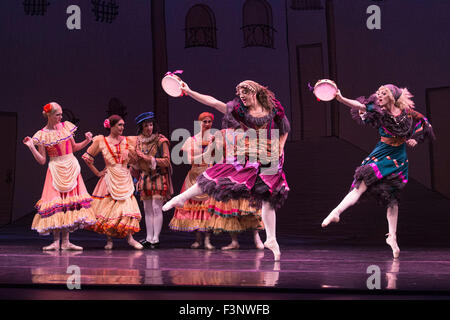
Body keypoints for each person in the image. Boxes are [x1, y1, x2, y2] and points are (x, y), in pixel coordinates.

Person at [163, 80, 290, 261]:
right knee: (220, 175)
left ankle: (271, 239)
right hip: (248, 151)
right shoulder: (240, 111)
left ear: (253, 92)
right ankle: (181, 198)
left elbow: (284, 127)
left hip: (269, 153)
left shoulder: (273, 108)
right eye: (239, 95)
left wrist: (280, 146)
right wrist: (190, 91)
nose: (241, 98)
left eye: (244, 94)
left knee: (270, 195)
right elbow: (213, 102)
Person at [321, 84, 435, 259]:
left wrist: (414, 139)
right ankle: (336, 212)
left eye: (384, 93)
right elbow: (360, 106)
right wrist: (341, 98)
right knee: (361, 185)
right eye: (378, 93)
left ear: (393, 96)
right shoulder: (378, 112)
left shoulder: (407, 114)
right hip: (382, 154)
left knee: (392, 199)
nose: (379, 96)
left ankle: (392, 237)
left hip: (399, 159)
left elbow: (424, 123)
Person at [23, 102, 96, 250]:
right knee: (57, 204)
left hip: (71, 165)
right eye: (58, 115)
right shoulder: (42, 134)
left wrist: (87, 141)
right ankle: (56, 241)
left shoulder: (66, 127)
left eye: (61, 114)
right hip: (55, 168)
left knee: (68, 203)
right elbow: (42, 160)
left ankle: (66, 241)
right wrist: (32, 147)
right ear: (49, 115)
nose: (60, 117)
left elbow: (74, 147)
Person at [82, 115, 143, 250]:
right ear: (112, 126)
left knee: (127, 208)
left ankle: (130, 238)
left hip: (124, 177)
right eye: (119, 125)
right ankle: (109, 240)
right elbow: (87, 157)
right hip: (109, 177)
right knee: (108, 209)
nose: (122, 128)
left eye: (123, 125)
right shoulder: (101, 141)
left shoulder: (128, 141)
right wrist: (97, 172)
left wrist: (132, 158)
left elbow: (134, 162)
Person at [168, 112, 215, 249]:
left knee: (207, 208)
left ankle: (207, 239)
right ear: (199, 123)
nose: (207, 124)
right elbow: (189, 160)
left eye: (209, 122)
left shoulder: (214, 139)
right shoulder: (191, 140)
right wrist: (205, 153)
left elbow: (218, 158)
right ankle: (197, 238)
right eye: (204, 122)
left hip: (208, 174)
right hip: (194, 176)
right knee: (194, 207)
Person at [129, 112, 173, 249]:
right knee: (147, 208)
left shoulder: (160, 140)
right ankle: (149, 237)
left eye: (151, 124)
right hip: (145, 176)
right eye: (146, 125)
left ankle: (156, 238)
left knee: (156, 207)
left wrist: (148, 158)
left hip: (158, 176)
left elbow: (166, 161)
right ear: (141, 127)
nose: (149, 127)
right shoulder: (138, 141)